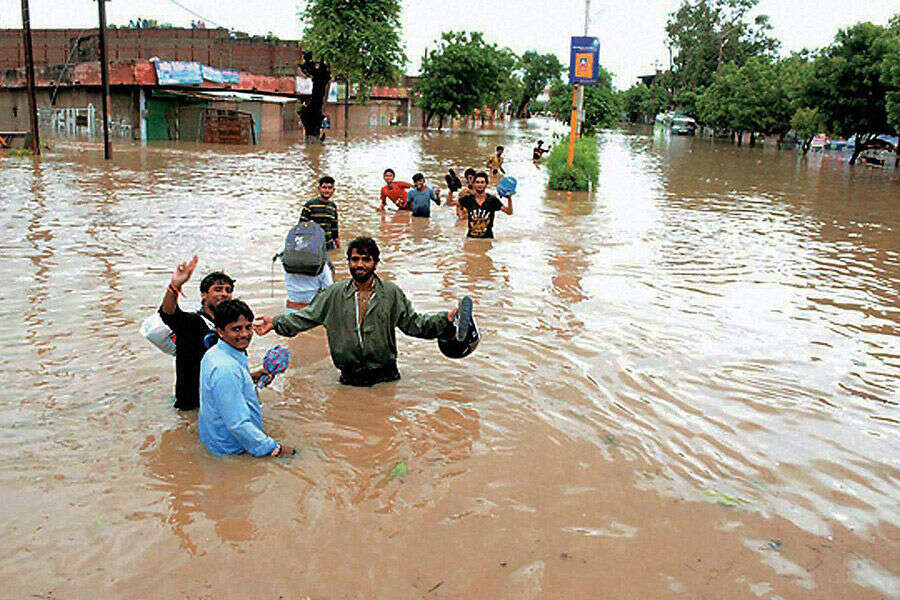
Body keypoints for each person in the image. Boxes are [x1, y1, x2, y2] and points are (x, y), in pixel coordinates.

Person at [253, 237, 459, 387]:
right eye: (354, 259)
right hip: (349, 376)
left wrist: (445, 320)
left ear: (375, 263)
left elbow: (414, 324)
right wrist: (276, 323)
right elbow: (306, 317)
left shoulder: (390, 292)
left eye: (365, 259)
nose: (359, 264)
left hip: (386, 375)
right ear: (349, 262)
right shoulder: (334, 294)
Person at [199, 299, 295, 458]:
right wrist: (275, 449)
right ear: (220, 331)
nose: (244, 334)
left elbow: (221, 393)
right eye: (236, 329)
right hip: (232, 449)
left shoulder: (215, 353)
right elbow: (238, 424)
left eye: (248, 327)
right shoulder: (226, 369)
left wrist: (248, 378)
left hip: (215, 441)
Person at [159, 255, 234, 410]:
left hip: (218, 401)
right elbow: (168, 313)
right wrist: (175, 285)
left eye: (228, 290)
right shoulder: (192, 323)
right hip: (193, 403)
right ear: (204, 295)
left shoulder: (231, 327)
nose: (224, 294)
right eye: (218, 289)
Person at [457, 171, 513, 239]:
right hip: (470, 239)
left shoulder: (492, 200)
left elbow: (509, 212)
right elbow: (450, 203)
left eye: (482, 182)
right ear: (474, 184)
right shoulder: (468, 199)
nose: (480, 185)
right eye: (477, 182)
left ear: (486, 184)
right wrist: (451, 191)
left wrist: (509, 198)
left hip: (487, 239)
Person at [301, 175, 340, 250]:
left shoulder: (333, 207)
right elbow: (302, 226)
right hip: (313, 245)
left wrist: (338, 248)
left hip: (329, 245)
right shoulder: (310, 205)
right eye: (324, 187)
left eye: (330, 188)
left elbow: (334, 229)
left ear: (333, 190)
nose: (327, 190)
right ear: (319, 189)